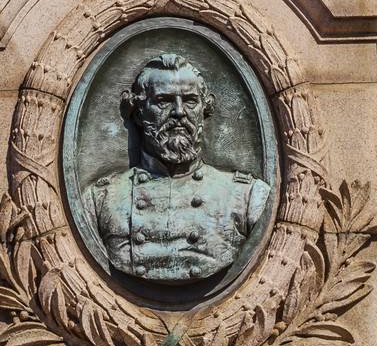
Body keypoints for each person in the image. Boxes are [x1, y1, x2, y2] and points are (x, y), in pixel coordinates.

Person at [83, 53, 270, 283]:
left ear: (203, 109)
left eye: (190, 100)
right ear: (140, 112)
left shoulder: (246, 196)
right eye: (164, 101)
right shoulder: (101, 199)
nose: (180, 112)